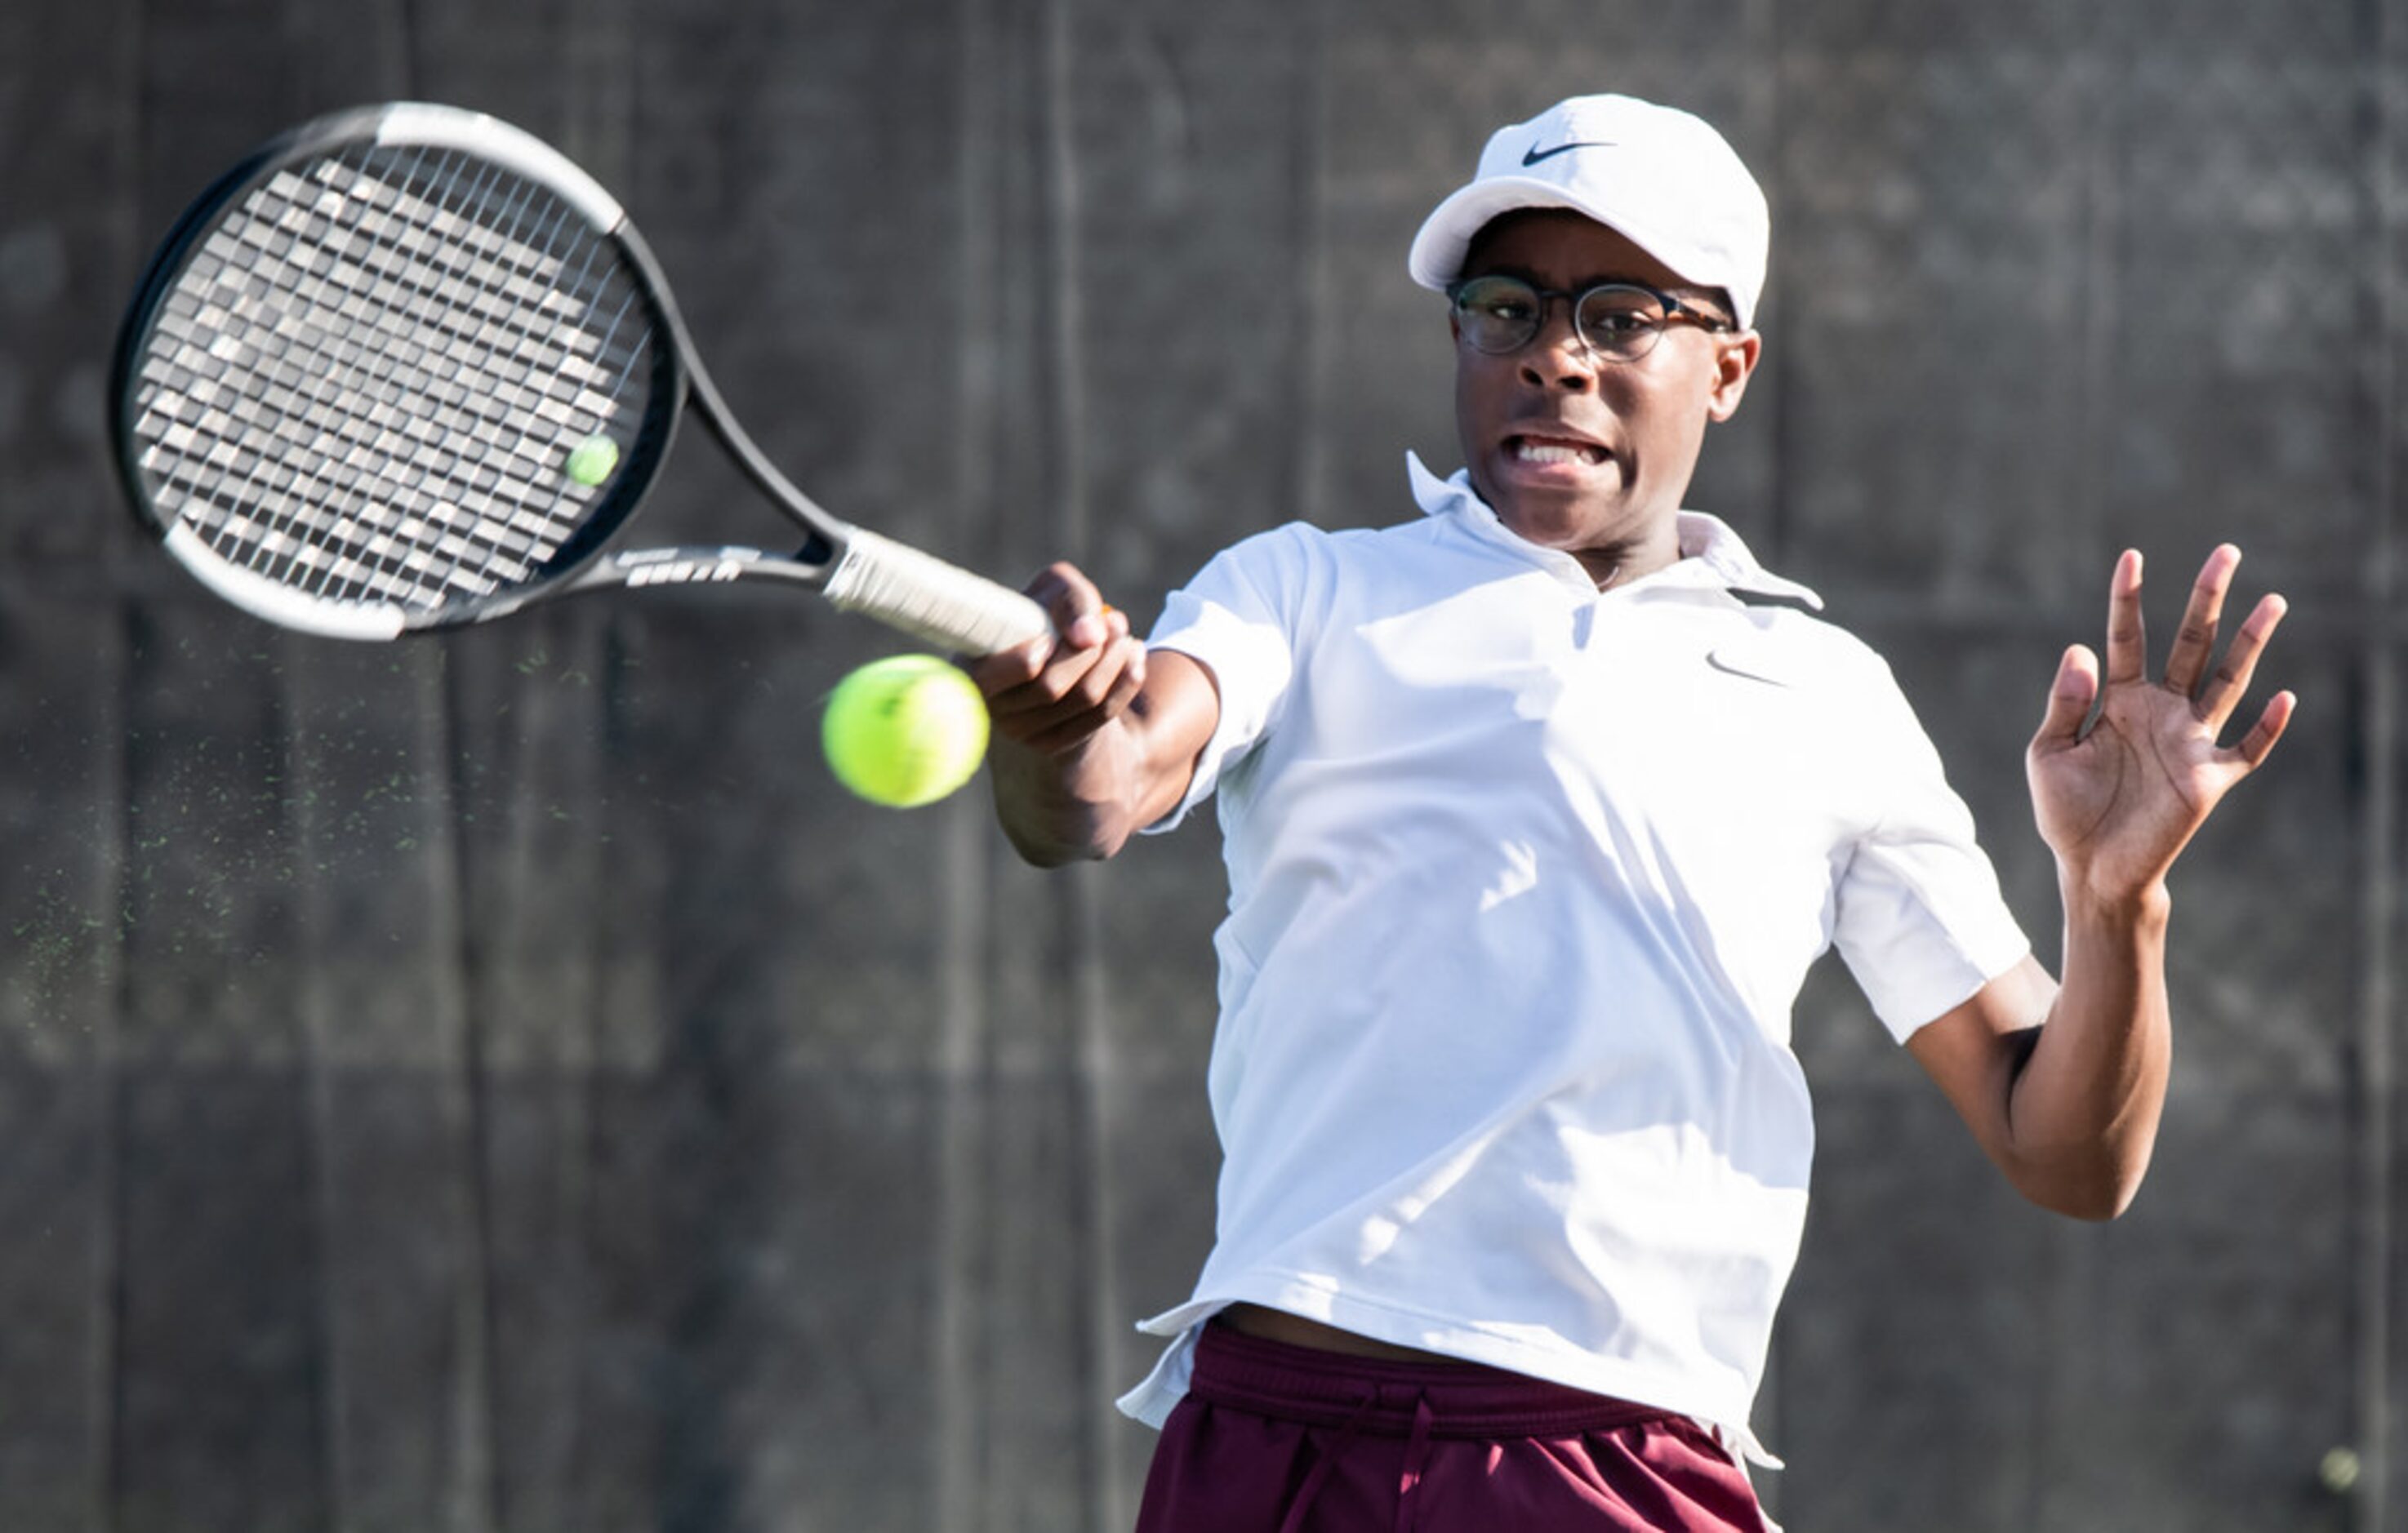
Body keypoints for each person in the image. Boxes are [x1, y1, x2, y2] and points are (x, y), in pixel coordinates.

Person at [963, 93, 2294, 1533]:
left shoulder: (1822, 691)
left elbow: (2070, 1154)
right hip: (1277, 1440)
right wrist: (1058, 726)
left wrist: (2115, 905)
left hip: (1613, 1461)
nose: (1552, 354)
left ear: (1725, 367)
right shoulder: (1300, 589)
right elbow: (1097, 795)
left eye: (1619, 312)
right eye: (1503, 307)